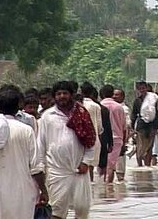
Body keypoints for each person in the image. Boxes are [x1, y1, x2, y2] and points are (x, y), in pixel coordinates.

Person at [0, 90, 48, 219]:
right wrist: (44, 190)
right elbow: (36, 167)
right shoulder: (26, 130)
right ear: (18, 107)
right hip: (21, 194)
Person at [37, 81, 96, 219]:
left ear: (71, 95)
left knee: (82, 209)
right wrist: (40, 168)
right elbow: (41, 144)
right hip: (57, 170)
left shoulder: (82, 113)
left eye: (65, 93)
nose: (62, 96)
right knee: (57, 209)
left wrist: (86, 162)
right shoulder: (47, 116)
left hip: (79, 169)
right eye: (58, 94)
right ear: (54, 97)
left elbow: (91, 140)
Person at [100, 85, 126, 183]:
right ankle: (108, 188)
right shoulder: (119, 107)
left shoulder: (99, 106)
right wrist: (124, 142)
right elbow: (124, 127)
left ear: (101, 94)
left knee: (102, 164)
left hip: (102, 138)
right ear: (112, 94)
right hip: (117, 139)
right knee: (111, 166)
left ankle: (104, 188)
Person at [131, 81, 158, 166]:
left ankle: (147, 165)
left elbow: (157, 114)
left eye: (143, 88)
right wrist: (132, 128)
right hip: (141, 126)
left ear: (146, 88)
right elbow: (134, 114)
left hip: (151, 125)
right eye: (140, 88)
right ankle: (140, 166)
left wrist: (156, 128)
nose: (142, 90)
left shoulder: (153, 100)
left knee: (149, 147)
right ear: (138, 90)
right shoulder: (137, 101)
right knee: (140, 146)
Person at [80, 82, 103, 182]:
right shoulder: (96, 106)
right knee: (91, 167)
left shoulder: (78, 105)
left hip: (81, 139)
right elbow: (99, 127)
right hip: (94, 139)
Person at [112, 89, 131, 181]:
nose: (114, 97)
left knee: (120, 172)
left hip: (119, 141)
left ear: (123, 97)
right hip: (112, 141)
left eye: (117, 95)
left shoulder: (124, 109)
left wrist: (124, 142)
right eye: (113, 95)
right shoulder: (111, 107)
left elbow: (126, 127)